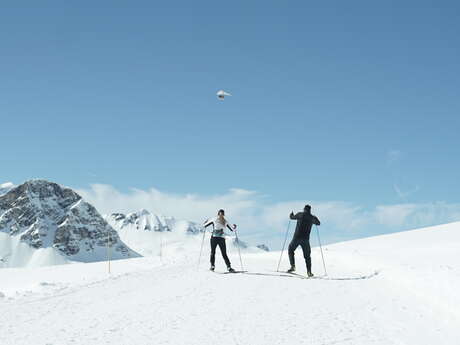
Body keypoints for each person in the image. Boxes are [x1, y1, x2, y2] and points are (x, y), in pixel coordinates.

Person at [287, 205, 320, 276]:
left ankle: (293, 266)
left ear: (304, 209)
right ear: (310, 210)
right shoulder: (312, 217)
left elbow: (291, 217)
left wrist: (291, 215)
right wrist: (315, 219)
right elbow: (318, 223)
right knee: (307, 256)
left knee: (290, 249)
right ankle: (309, 272)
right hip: (305, 240)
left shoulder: (300, 214)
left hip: (296, 238)